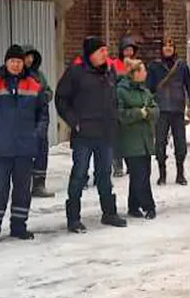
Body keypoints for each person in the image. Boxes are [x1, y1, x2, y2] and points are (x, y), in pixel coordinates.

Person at [56, 36, 127, 233]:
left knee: (104, 173)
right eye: (101, 51)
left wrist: (115, 117)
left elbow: (115, 98)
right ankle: (73, 218)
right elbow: (61, 99)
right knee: (79, 174)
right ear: (91, 54)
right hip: (84, 133)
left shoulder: (109, 71)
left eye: (106, 50)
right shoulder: (76, 72)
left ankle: (109, 212)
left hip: (105, 132)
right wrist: (74, 122)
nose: (106, 54)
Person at [0, 45, 49, 245]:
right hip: (0, 148)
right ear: (6, 62)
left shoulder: (34, 84)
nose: (16, 64)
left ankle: (19, 226)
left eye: (19, 61)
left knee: (22, 190)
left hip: (25, 148)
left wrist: (37, 135)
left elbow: (43, 115)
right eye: (12, 61)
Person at [147, 38, 190, 186]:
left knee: (180, 142)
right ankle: (162, 173)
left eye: (171, 45)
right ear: (161, 49)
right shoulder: (154, 66)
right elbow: (148, 88)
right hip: (160, 109)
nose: (168, 48)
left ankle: (180, 173)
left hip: (177, 108)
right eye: (165, 45)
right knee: (160, 143)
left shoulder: (181, 66)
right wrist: (149, 106)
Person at [116, 59, 159, 219]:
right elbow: (120, 114)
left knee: (142, 174)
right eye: (143, 70)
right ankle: (149, 206)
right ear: (134, 73)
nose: (146, 73)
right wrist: (138, 114)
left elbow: (155, 109)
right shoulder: (121, 91)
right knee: (139, 175)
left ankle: (133, 206)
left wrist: (148, 112)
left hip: (145, 139)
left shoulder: (145, 91)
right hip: (130, 140)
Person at [23, 46, 55, 198]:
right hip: (24, 119)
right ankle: (22, 184)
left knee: (42, 151)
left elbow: (48, 90)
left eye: (31, 57)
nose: (29, 60)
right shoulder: (18, 76)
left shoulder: (39, 74)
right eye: (26, 57)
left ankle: (39, 184)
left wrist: (45, 96)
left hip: (41, 117)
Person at [111, 36, 139, 178]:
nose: (128, 53)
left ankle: (130, 163)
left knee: (129, 136)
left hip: (131, 103)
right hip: (117, 103)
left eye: (131, 50)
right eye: (126, 50)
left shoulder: (137, 65)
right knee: (116, 136)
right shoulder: (114, 64)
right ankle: (117, 165)